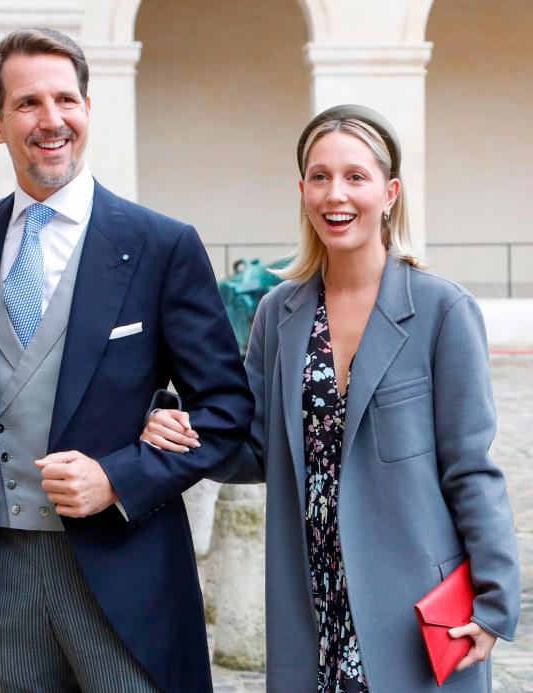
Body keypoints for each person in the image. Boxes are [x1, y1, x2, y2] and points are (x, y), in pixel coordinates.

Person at [141, 104, 520, 692]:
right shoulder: (278, 314)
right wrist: (178, 425)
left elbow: (471, 468)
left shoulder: (443, 310)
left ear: (390, 192)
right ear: (302, 190)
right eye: (319, 177)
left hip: (416, 606)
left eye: (355, 177)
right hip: (310, 601)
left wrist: (494, 603)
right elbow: (257, 450)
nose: (334, 194)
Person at [0, 27, 254, 692]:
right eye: (27, 104)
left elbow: (227, 409)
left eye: (66, 100)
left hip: (125, 571)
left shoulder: (160, 244)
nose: (52, 121)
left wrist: (119, 475)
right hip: (3, 575)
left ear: (88, 110)